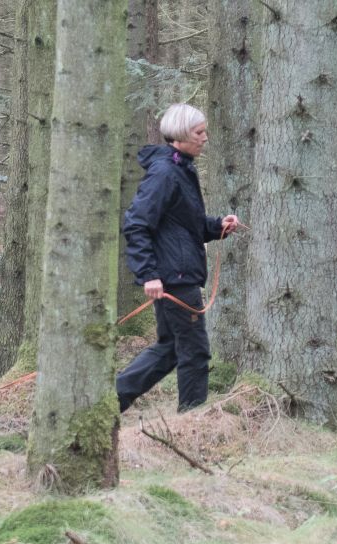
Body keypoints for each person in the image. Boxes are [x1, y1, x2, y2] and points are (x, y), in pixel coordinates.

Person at [117, 103, 240, 413]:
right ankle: (194, 419)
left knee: (170, 349)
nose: (205, 138)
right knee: (194, 351)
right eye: (199, 132)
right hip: (174, 278)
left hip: (179, 274)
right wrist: (149, 275)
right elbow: (136, 224)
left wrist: (218, 227)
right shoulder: (164, 173)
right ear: (182, 135)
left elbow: (187, 226)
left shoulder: (182, 169)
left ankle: (109, 403)